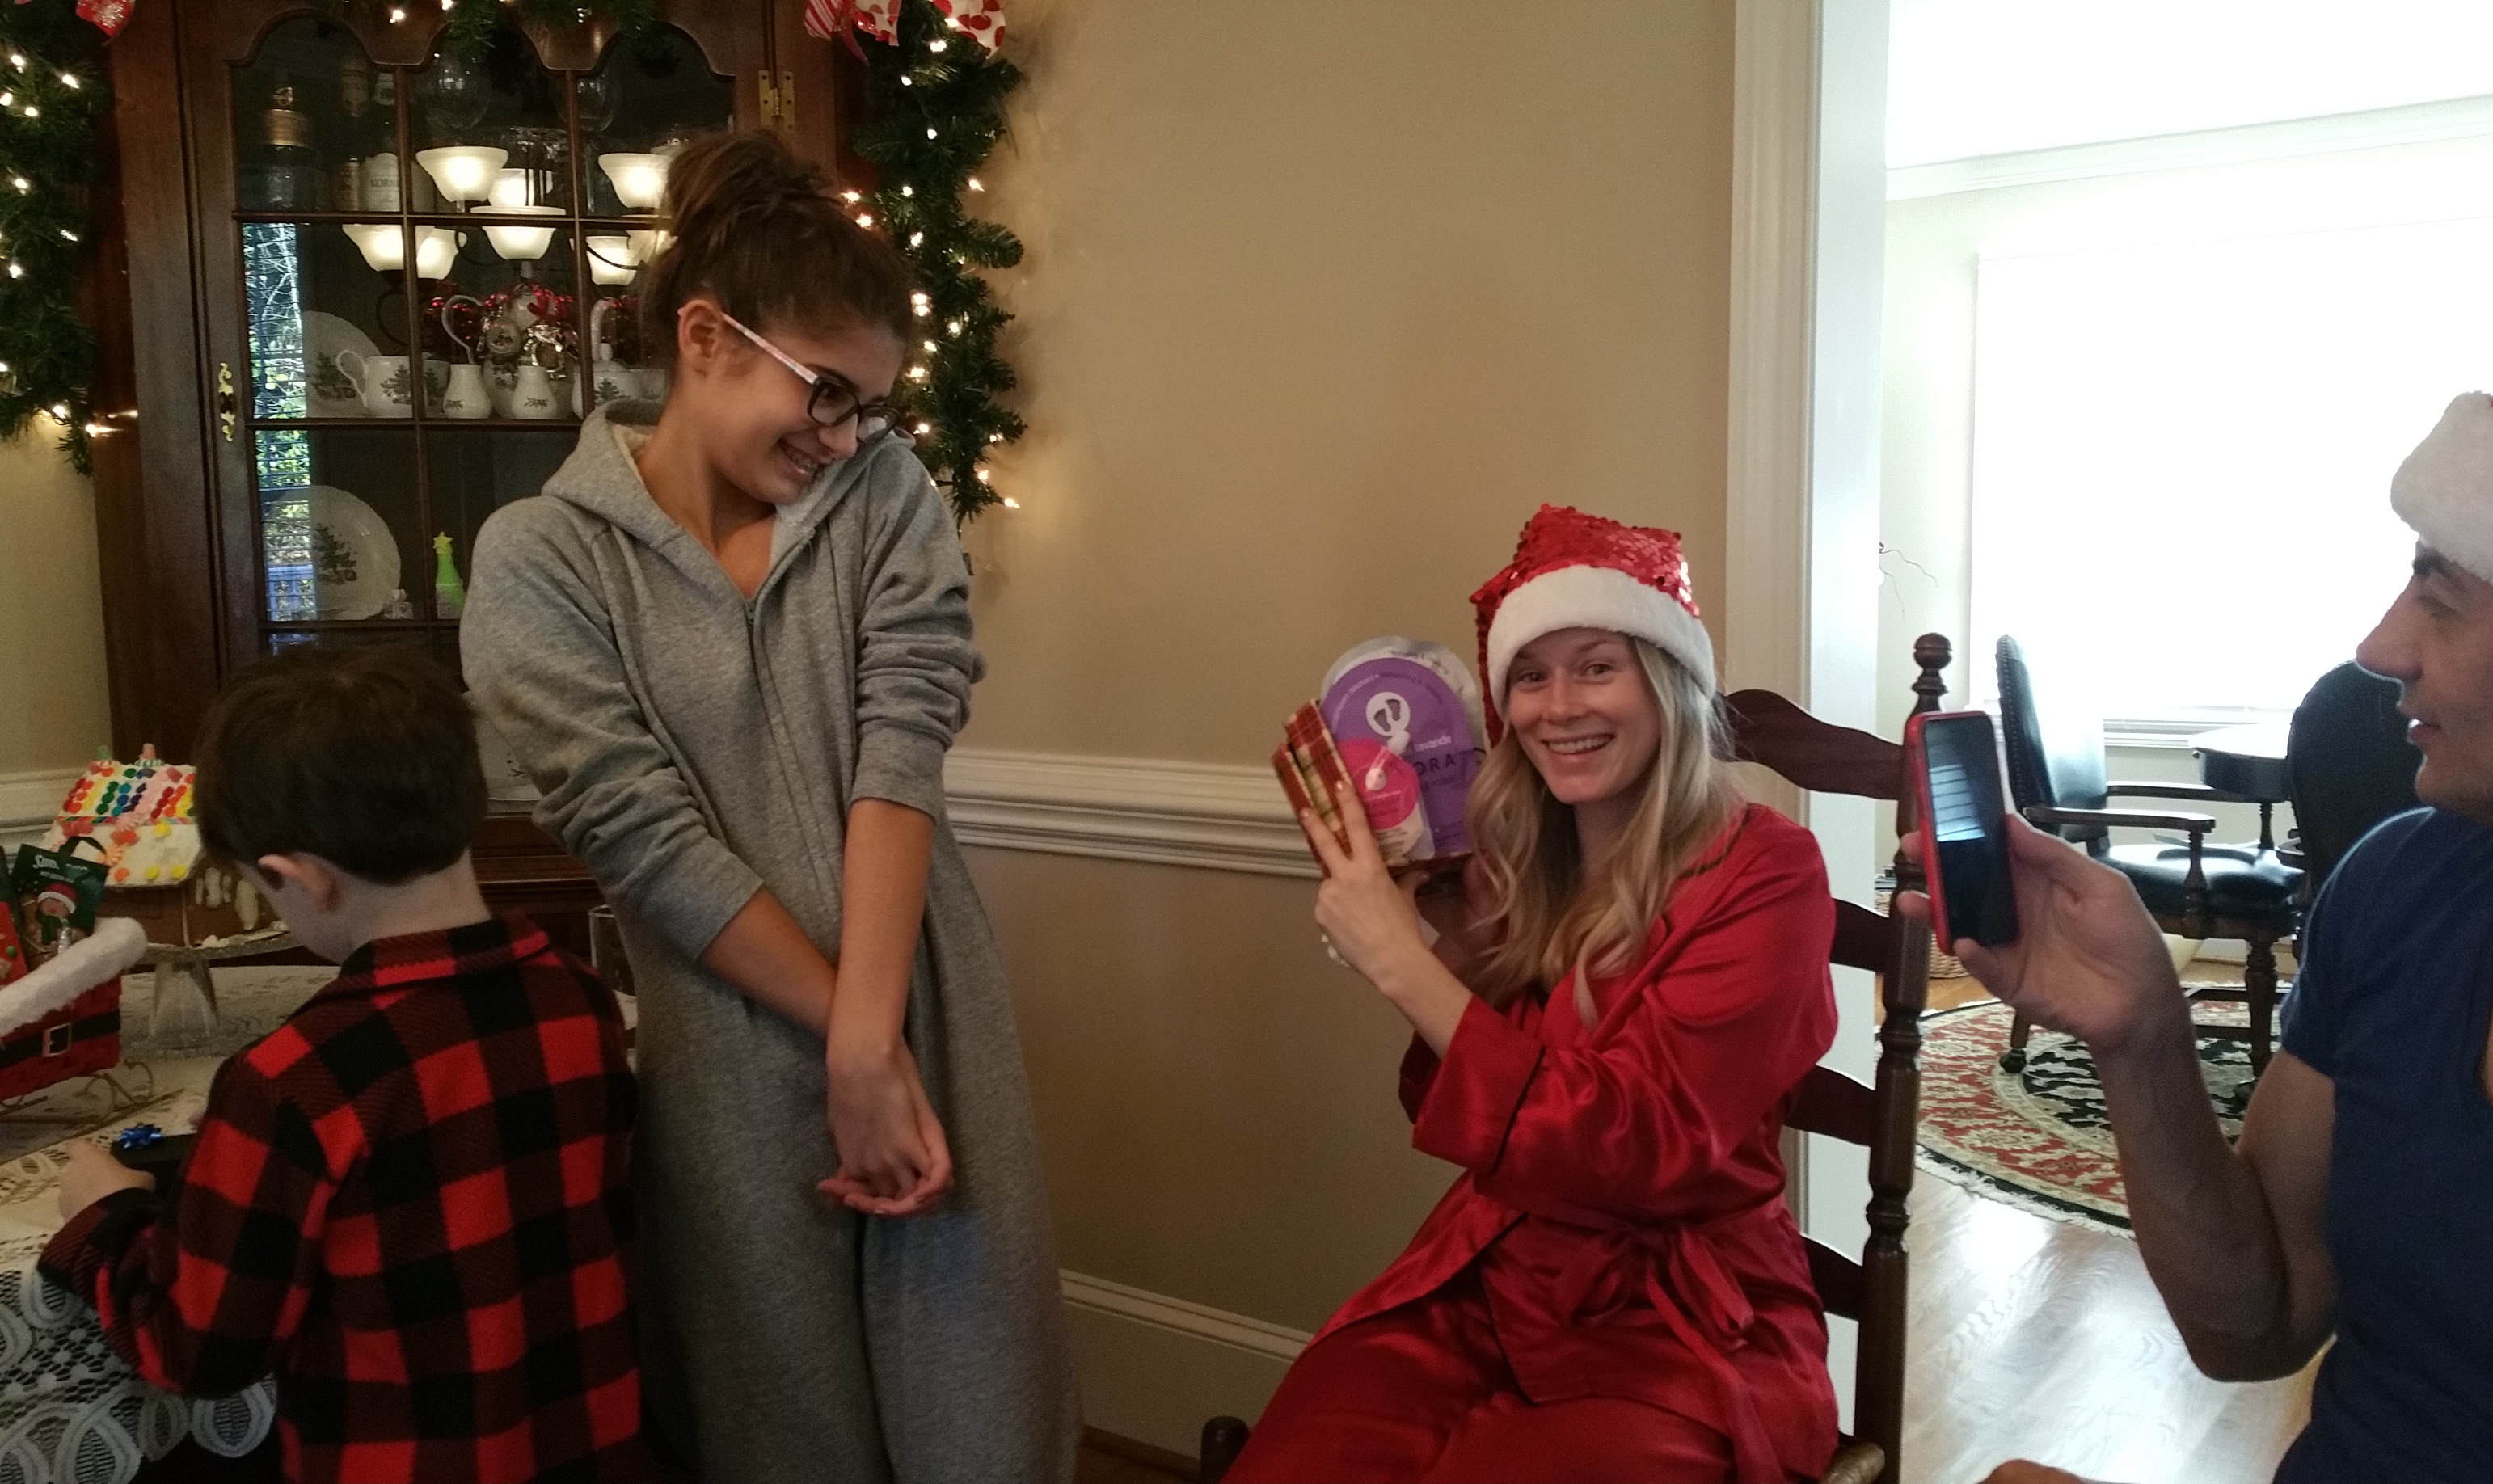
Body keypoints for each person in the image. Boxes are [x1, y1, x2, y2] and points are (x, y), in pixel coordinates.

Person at [460, 132, 1075, 1482]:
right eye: (825, 392)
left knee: (979, 1419)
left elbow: (901, 750)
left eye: (868, 408)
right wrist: (850, 1045)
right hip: (724, 1062)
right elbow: (641, 838)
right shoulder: (540, 561)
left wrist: (875, 1042)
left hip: (929, 1011)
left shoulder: (880, 497)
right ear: (704, 338)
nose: (842, 437)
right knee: (779, 1432)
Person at [1960, 342, 2493, 1484]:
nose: (2381, 649)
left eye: (2441, 602)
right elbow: (2255, 1322)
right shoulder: (2408, 885)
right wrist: (2144, 1039)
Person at [1228, 506, 1841, 1484]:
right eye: (1530, 676)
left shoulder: (1770, 873)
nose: (1559, 708)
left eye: (1597, 667)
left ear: (1668, 682)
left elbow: (1640, 1147)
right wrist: (1451, 934)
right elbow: (1462, 1109)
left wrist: (1404, 963)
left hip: (1679, 1325)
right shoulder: (1527, 857)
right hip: (1496, 1273)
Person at [40, 645, 652, 1482]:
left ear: (300, 878)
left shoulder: (292, 1082)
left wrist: (102, 1216)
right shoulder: (577, 998)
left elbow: (198, 1345)